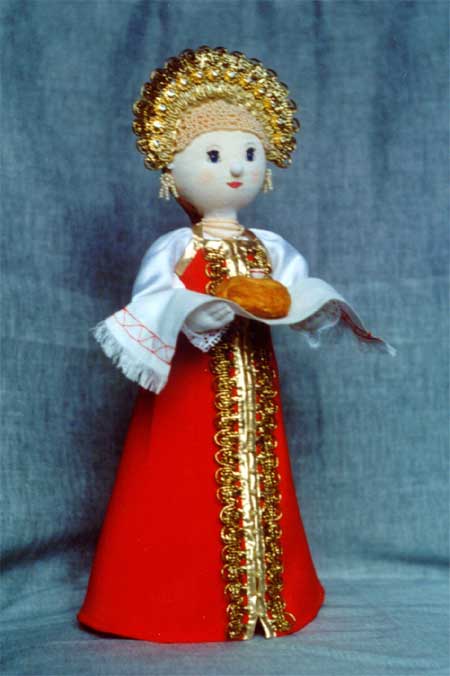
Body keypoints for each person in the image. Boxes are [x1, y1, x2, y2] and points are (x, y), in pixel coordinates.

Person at [77, 46, 394, 643]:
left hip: (255, 383)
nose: (235, 170)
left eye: (249, 154)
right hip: (189, 389)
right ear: (172, 169)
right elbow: (152, 303)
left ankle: (269, 596)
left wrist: (303, 302)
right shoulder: (179, 249)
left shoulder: (267, 245)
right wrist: (199, 308)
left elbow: (293, 291)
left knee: (262, 471)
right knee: (182, 482)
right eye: (214, 155)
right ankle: (175, 603)